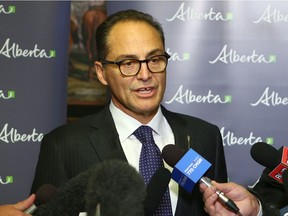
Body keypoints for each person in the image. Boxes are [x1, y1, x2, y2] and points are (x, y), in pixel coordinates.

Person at [30, 9, 261, 215]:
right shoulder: (63, 145)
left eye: (155, 59)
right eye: (128, 63)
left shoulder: (205, 136)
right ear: (101, 73)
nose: (145, 74)